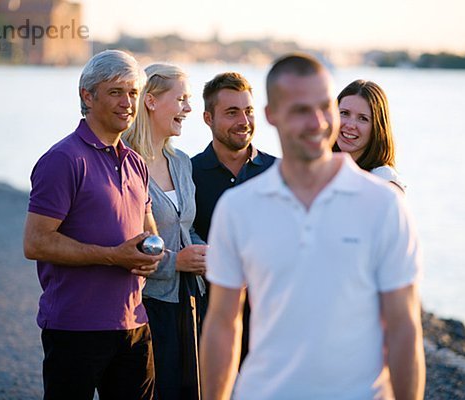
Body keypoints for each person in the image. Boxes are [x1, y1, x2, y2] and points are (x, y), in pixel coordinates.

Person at [200, 54, 425, 399]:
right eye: (300, 109)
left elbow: (404, 328)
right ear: (271, 116)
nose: (318, 121)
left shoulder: (384, 203)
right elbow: (222, 324)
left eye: (324, 107)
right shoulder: (239, 207)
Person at [23, 50, 162, 400]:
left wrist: (153, 251)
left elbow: (148, 231)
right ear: (88, 95)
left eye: (133, 93)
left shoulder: (136, 163)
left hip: (133, 323)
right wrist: (114, 256)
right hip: (75, 327)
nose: (128, 102)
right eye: (116, 92)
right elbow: (36, 243)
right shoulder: (62, 159)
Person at [124, 63, 207, 400]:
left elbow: (185, 228)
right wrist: (176, 262)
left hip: (189, 299)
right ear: (151, 101)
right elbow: (122, 244)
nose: (188, 109)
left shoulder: (182, 162)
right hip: (146, 304)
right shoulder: (126, 161)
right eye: (182, 99)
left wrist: (204, 252)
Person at [191, 71, 276, 365]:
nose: (244, 121)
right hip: (208, 322)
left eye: (249, 111)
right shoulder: (188, 175)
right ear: (207, 118)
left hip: (270, 325)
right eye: (231, 112)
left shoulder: (280, 174)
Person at [333, 79, 406, 191]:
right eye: (344, 113)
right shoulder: (323, 169)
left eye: (363, 118)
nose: (350, 125)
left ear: (377, 128)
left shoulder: (383, 180)